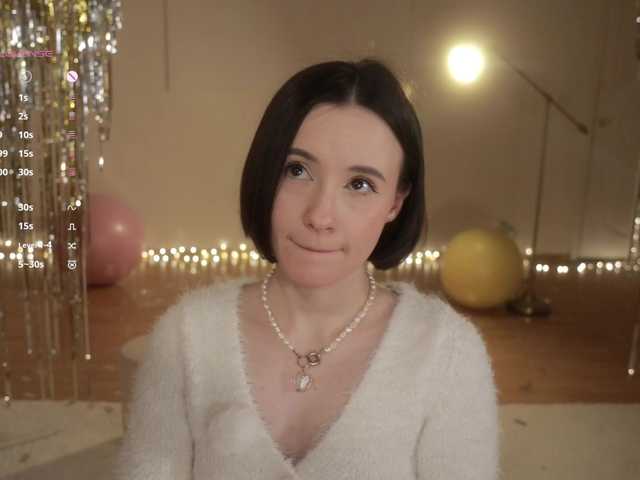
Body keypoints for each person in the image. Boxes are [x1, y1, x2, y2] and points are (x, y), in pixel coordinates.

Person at [114, 58, 501, 480]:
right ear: (267, 172)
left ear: (395, 202)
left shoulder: (448, 352)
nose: (319, 216)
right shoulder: (186, 336)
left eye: (360, 184)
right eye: (297, 171)